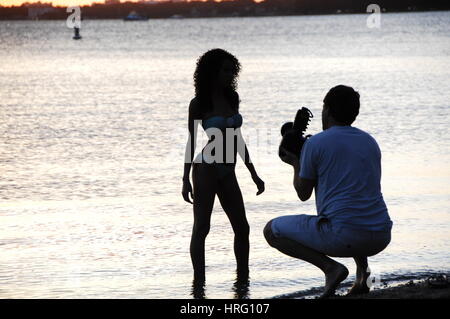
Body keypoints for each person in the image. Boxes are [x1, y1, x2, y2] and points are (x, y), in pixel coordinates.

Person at [264, 85, 393, 298]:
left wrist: (296, 162)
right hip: (380, 234)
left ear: (326, 110)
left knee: (271, 231)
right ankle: (363, 274)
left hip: (345, 236)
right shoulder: (370, 141)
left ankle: (330, 269)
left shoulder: (316, 143)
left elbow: (303, 193)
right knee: (356, 204)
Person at [182, 49, 265, 289]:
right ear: (212, 72)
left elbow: (237, 137)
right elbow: (190, 141)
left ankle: (242, 282)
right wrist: (185, 179)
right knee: (202, 227)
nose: (230, 74)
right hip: (206, 167)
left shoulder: (233, 98)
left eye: (232, 70)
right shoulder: (198, 104)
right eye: (225, 70)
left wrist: (253, 172)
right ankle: (199, 285)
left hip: (229, 169)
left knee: (242, 227)